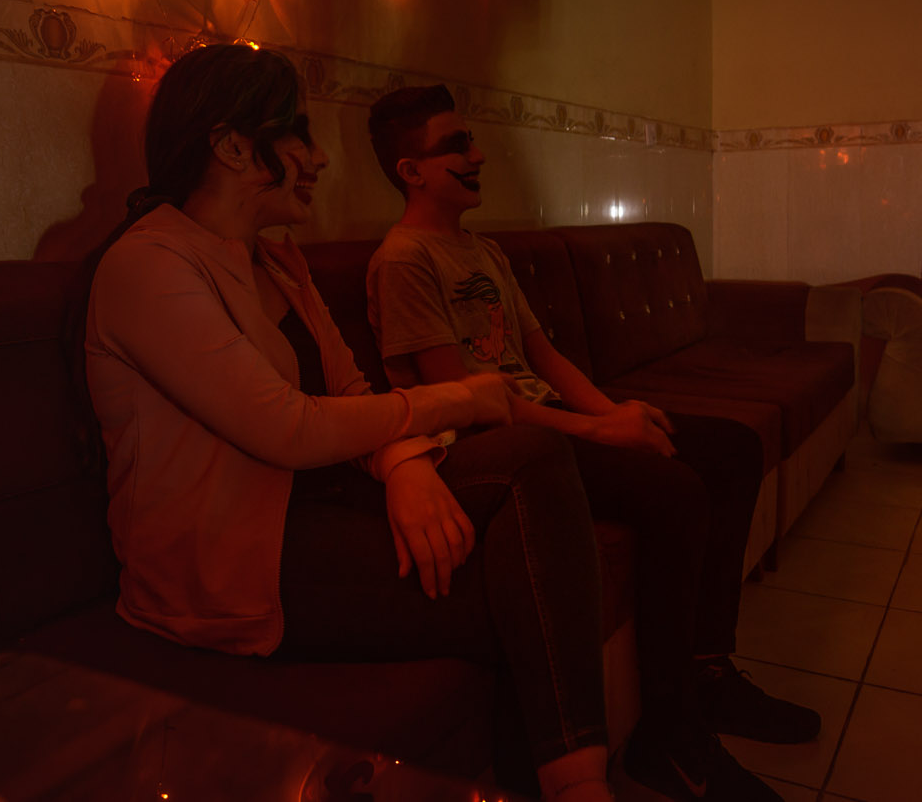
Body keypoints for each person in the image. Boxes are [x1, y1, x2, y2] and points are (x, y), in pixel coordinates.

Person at [84, 45, 617, 802]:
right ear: (232, 146)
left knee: (530, 455)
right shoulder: (147, 266)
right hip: (226, 563)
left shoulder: (278, 261)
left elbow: (349, 391)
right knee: (521, 587)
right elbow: (287, 428)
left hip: (321, 506)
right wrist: (461, 399)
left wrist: (405, 467)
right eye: (299, 133)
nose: (321, 156)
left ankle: (580, 789)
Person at [365, 85, 821, 802]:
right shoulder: (404, 261)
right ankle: (669, 735)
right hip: (494, 444)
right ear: (410, 170)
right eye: (455, 144)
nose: (477, 154)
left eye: (472, 139)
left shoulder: (482, 250)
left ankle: (708, 670)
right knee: (673, 492)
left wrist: (619, 414)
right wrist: (598, 431)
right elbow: (461, 398)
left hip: (544, 417)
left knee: (730, 448)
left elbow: (544, 356)